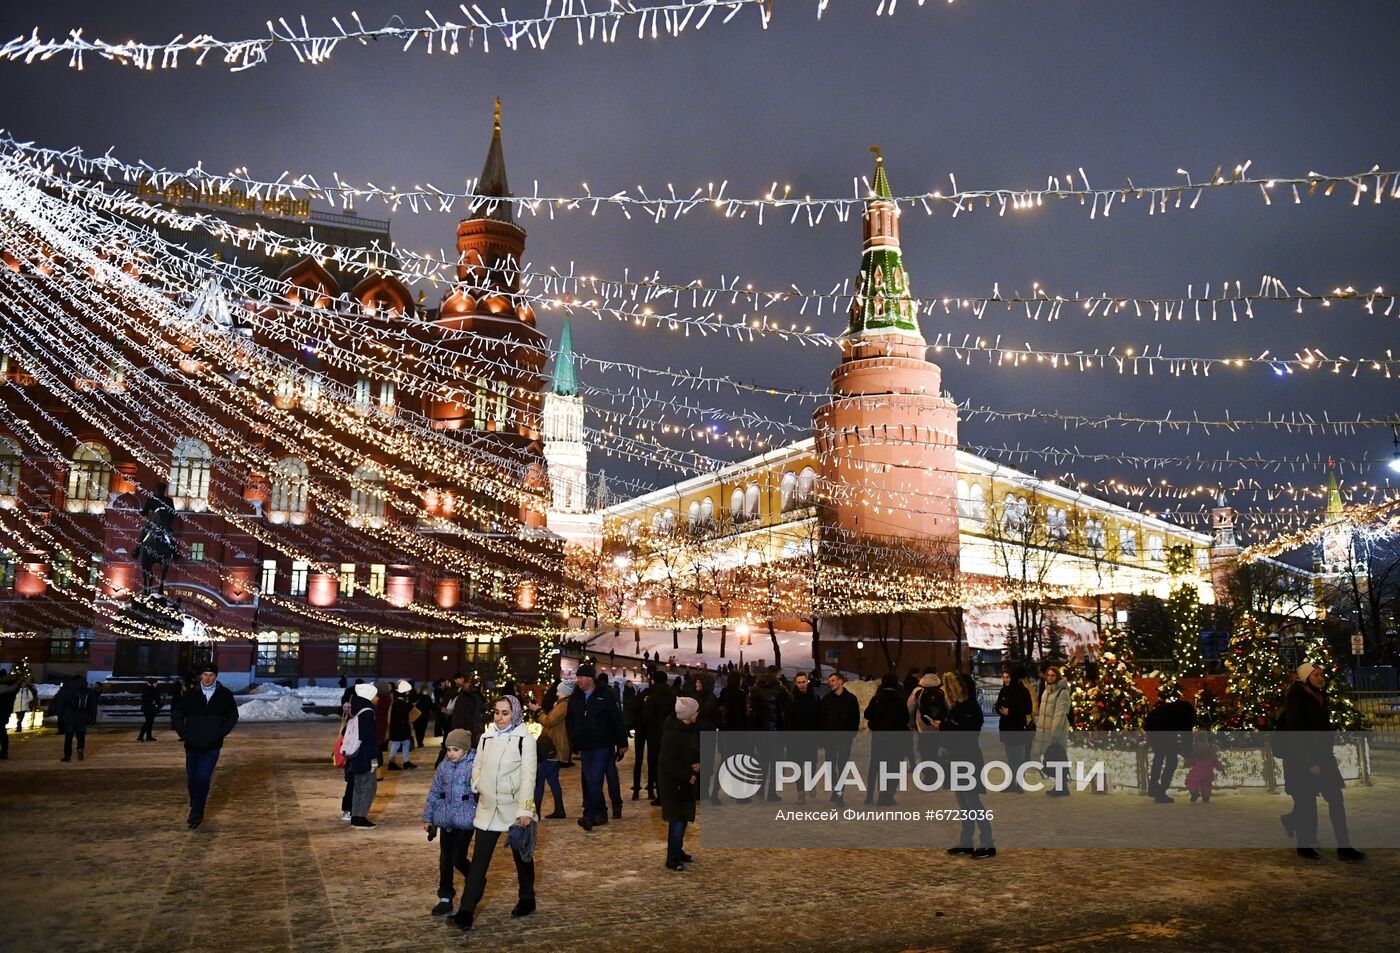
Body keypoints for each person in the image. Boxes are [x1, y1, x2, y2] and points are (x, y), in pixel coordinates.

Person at [455, 695, 537, 931]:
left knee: (522, 857)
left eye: (505, 713)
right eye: (496, 712)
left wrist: (525, 809)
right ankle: (466, 910)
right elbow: (477, 765)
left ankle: (527, 898)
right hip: (488, 807)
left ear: (516, 714)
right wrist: (478, 783)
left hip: (514, 808)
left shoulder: (525, 740)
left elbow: (528, 776)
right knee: (480, 860)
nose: (499, 718)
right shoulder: (486, 737)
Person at [1279, 662, 1364, 861]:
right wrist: (1310, 761)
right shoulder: (1296, 698)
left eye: (1321, 675)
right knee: (1306, 802)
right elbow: (1296, 732)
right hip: (1301, 759)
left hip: (1323, 757)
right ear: (1306, 678)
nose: (1321, 678)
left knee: (1336, 800)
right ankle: (1303, 844)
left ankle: (1344, 846)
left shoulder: (1320, 697)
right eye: (1316, 675)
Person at [172, 662, 239, 829]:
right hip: (192, 744)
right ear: (200, 676)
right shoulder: (191, 695)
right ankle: (195, 802)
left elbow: (232, 716)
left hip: (212, 745)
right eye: (205, 674)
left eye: (211, 675)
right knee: (192, 780)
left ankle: (196, 812)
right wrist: (185, 733)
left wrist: (219, 733)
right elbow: (177, 715)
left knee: (202, 778)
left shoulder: (224, 695)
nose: (208, 678)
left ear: (216, 676)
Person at [937, 672, 996, 859]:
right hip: (957, 758)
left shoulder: (971, 708)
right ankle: (967, 841)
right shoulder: (959, 707)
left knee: (972, 802)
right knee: (963, 803)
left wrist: (945, 727)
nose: (951, 694)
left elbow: (965, 734)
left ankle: (987, 843)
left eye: (954, 690)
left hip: (968, 759)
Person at [565, 663, 628, 831]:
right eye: (577, 677)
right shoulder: (576, 696)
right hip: (585, 745)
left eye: (582, 677)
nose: (578, 680)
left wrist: (622, 742)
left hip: (602, 743)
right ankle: (601, 812)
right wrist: (574, 739)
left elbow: (617, 719)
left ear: (590, 678)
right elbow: (570, 720)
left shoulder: (606, 694)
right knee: (591, 780)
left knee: (595, 779)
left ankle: (589, 815)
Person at [424, 728, 478, 917]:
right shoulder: (444, 766)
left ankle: (476, 879)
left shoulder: (474, 765)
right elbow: (434, 792)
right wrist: (428, 817)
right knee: (445, 859)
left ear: (465, 749)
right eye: (448, 749)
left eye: (456, 749)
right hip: (446, 819)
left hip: (465, 819)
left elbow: (481, 791)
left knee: (457, 857)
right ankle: (445, 897)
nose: (451, 753)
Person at [659, 696, 701, 871]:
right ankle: (672, 857)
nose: (698, 714)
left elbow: (692, 751)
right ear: (688, 715)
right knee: (677, 820)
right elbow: (668, 763)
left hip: (683, 781)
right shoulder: (672, 734)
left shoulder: (686, 729)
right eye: (695, 711)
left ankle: (678, 850)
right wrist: (687, 776)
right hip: (674, 783)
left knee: (682, 818)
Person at [863, 672, 910, 806]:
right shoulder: (900, 700)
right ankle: (887, 795)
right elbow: (905, 719)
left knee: (875, 766)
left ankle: (870, 795)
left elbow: (867, 714)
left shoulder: (877, 699)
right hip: (895, 739)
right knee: (893, 766)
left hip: (878, 738)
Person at [1144, 687, 1195, 803]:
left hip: (1153, 726)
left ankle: (1153, 788)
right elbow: (1186, 735)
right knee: (1171, 761)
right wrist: (1188, 753)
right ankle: (1161, 792)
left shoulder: (1174, 709)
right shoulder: (1186, 714)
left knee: (1159, 757)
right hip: (1162, 729)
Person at [819, 671, 860, 805]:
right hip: (829, 738)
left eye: (833, 680)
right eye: (830, 681)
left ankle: (839, 794)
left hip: (844, 739)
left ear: (841, 681)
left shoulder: (851, 699)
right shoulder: (826, 699)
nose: (831, 683)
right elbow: (822, 719)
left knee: (842, 766)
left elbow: (855, 718)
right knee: (830, 765)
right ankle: (835, 789)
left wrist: (851, 734)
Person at [344, 682, 381, 828]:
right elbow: (369, 738)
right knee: (369, 786)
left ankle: (355, 816)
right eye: (375, 695)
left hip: (356, 755)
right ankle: (360, 817)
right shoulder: (368, 712)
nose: (377, 697)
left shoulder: (356, 709)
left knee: (359, 785)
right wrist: (375, 757)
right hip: (365, 755)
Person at [1033, 665, 1073, 796]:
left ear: (1057, 677)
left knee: (1058, 758)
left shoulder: (1062, 692)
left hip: (1057, 733)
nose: (1050, 677)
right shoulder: (1046, 691)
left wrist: (1054, 733)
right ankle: (1060, 786)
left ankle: (1062, 787)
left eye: (1053, 675)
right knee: (1052, 759)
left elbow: (1060, 714)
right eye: (1048, 675)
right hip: (1046, 731)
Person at [534, 681, 572, 818]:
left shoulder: (563, 705)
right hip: (554, 747)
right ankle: (559, 810)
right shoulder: (561, 704)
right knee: (552, 779)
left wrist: (538, 712)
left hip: (554, 747)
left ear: (565, 692)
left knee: (538, 778)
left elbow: (549, 721)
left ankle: (535, 811)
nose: (556, 693)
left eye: (559, 691)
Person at [994, 666, 1033, 791]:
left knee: (1019, 756)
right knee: (1010, 757)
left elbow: (1027, 709)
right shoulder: (1003, 691)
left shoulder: (1023, 691)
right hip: (1006, 727)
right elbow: (998, 704)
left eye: (1008, 677)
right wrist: (999, 709)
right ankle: (1011, 783)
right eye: (1004, 677)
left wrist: (1010, 711)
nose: (1005, 680)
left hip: (1017, 727)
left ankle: (1020, 783)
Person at [784, 671, 821, 804]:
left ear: (807, 682)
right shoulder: (791, 699)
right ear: (795, 683)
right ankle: (800, 793)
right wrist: (787, 740)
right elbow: (787, 721)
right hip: (795, 739)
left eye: (803, 682)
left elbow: (819, 719)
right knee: (798, 767)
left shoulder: (815, 698)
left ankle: (811, 784)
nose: (801, 685)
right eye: (799, 682)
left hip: (810, 738)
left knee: (811, 765)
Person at [641, 669, 675, 805]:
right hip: (670, 734)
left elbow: (646, 718)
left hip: (654, 735)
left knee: (656, 765)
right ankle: (670, 793)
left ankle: (661, 795)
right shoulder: (673, 696)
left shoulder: (652, 697)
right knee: (669, 764)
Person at [51, 673, 96, 762]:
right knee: (81, 734)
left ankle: (67, 756)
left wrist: (60, 714)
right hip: (83, 716)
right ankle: (80, 748)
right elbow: (93, 705)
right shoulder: (88, 690)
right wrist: (93, 717)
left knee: (68, 737)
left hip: (69, 716)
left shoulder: (66, 689)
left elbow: (60, 702)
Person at [387, 679, 418, 770]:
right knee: (396, 745)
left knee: (405, 743)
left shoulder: (398, 701)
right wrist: (410, 706)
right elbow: (403, 713)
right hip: (399, 729)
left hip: (400, 729)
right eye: (407, 691)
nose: (408, 692)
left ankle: (406, 761)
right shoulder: (399, 702)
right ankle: (392, 763)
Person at [1184, 733, 1223, 803]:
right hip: (1208, 773)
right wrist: (1220, 768)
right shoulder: (1211, 753)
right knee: (1207, 785)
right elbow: (1216, 762)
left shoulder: (1195, 753)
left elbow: (1190, 762)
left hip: (1196, 772)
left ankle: (1194, 792)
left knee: (1191, 781)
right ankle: (1206, 796)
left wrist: (1187, 763)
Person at [137, 676, 163, 742]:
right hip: (148, 708)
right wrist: (154, 701)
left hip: (151, 708)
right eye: (156, 682)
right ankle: (141, 736)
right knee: (148, 722)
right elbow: (148, 698)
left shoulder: (153, 688)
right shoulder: (148, 688)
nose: (157, 683)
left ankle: (148, 736)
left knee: (150, 722)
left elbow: (157, 698)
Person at [0, 667, 18, 758]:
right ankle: (4, 751)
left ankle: (3, 752)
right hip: (5, 713)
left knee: (2, 732)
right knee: (2, 732)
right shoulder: (12, 688)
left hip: (1, 712)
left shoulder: (2, 687)